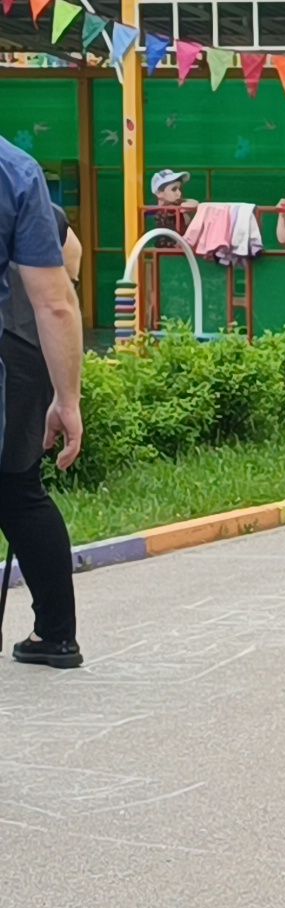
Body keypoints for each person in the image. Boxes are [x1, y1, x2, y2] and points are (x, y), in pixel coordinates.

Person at [0, 197, 85, 668]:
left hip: (13, 347)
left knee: (18, 493)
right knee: (19, 489)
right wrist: (65, 390)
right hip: (28, 350)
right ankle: (55, 633)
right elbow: (67, 273)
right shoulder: (20, 180)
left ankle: (55, 633)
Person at [0, 135, 83, 496]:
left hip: (20, 343)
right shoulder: (16, 171)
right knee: (21, 494)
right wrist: (68, 399)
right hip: (22, 343)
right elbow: (57, 303)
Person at [146, 168, 198, 234]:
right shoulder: (151, 214)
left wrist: (181, 201)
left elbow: (194, 203)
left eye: (179, 189)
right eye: (174, 189)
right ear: (159, 193)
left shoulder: (180, 208)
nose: (179, 193)